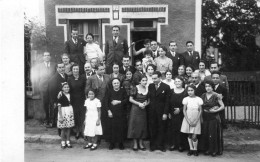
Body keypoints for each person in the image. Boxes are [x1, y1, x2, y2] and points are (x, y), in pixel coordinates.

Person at [85, 63, 111, 140]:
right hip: (95, 103)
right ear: (96, 70)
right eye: (101, 69)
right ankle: (96, 138)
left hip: (105, 102)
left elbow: (109, 89)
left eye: (103, 69)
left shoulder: (107, 77)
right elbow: (87, 90)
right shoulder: (91, 78)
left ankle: (104, 136)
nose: (103, 71)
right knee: (95, 119)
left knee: (104, 119)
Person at [200, 80, 225, 157]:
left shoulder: (216, 95)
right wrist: (201, 117)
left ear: (212, 87)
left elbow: (222, 106)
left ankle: (214, 150)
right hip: (205, 116)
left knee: (213, 134)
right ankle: (207, 149)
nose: (208, 88)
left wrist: (216, 110)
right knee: (206, 133)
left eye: (209, 86)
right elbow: (200, 107)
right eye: (206, 86)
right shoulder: (203, 95)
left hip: (214, 117)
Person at [148, 71, 171, 152]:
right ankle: (153, 145)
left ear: (160, 77)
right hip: (152, 111)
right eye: (152, 78)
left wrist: (165, 113)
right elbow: (149, 98)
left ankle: (161, 145)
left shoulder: (166, 87)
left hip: (161, 111)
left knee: (161, 128)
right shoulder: (150, 86)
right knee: (152, 128)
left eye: (155, 78)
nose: (153, 80)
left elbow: (167, 101)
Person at [104, 78, 128, 150]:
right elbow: (106, 101)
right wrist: (108, 111)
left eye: (117, 83)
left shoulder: (123, 91)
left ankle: (121, 143)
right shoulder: (109, 91)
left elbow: (126, 100)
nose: (116, 84)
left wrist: (119, 102)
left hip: (121, 113)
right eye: (114, 83)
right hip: (112, 113)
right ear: (112, 84)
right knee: (112, 128)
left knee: (121, 128)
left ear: (120, 84)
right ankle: (112, 143)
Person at [128, 76, 150, 151]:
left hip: (143, 109)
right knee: (135, 125)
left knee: (142, 126)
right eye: (143, 80)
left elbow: (149, 100)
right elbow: (130, 99)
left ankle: (141, 143)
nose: (145, 82)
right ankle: (135, 144)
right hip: (135, 109)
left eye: (146, 80)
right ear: (140, 81)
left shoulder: (147, 88)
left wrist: (145, 104)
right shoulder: (135, 88)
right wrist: (139, 104)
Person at [181, 85, 203, 156]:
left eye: (191, 90)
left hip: (196, 117)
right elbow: (184, 110)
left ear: (195, 90)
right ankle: (191, 149)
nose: (190, 92)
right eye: (188, 91)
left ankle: (195, 149)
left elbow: (200, 110)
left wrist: (196, 120)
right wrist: (188, 120)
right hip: (188, 117)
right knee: (189, 135)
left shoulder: (198, 99)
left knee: (194, 136)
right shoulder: (186, 99)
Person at [36, 52, 56, 126]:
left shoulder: (54, 65)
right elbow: (37, 78)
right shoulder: (39, 66)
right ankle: (46, 120)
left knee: (52, 104)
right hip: (43, 88)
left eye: (48, 55)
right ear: (43, 57)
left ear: (50, 57)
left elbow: (56, 76)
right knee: (45, 104)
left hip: (52, 88)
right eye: (45, 55)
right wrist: (39, 86)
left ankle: (51, 120)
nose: (47, 57)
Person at [168, 76, 187, 152]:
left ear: (182, 82)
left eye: (179, 81)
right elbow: (168, 102)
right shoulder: (171, 91)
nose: (177, 83)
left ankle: (180, 145)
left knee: (180, 129)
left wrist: (180, 109)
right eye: (176, 81)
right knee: (173, 129)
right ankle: (173, 144)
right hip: (172, 113)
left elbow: (187, 103)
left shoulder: (185, 91)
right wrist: (169, 112)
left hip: (182, 113)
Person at [67, 64, 86, 139]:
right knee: (76, 116)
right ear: (72, 70)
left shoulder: (83, 78)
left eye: (77, 69)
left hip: (82, 100)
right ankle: (77, 131)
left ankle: (83, 131)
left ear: (79, 70)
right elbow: (68, 90)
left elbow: (85, 89)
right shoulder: (70, 79)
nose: (75, 70)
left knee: (82, 116)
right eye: (74, 69)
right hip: (73, 100)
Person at [48, 62, 67, 128]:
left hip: (66, 99)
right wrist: (54, 101)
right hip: (58, 99)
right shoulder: (53, 79)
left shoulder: (66, 76)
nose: (62, 69)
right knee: (57, 114)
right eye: (60, 67)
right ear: (57, 68)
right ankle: (55, 125)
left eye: (63, 67)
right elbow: (52, 92)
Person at [57, 82, 75, 149]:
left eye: (67, 87)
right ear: (62, 88)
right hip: (63, 112)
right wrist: (61, 116)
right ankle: (63, 142)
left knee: (68, 128)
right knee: (63, 128)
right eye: (65, 87)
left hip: (69, 111)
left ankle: (68, 141)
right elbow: (59, 106)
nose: (66, 88)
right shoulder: (60, 95)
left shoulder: (70, 95)